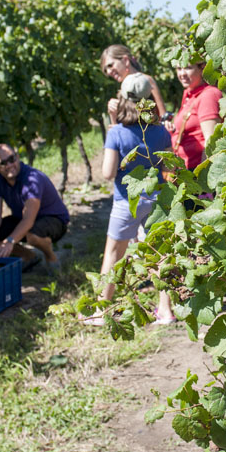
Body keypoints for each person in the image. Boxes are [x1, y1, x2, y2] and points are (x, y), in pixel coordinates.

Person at [85, 72, 174, 325]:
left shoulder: (117, 133)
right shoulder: (160, 133)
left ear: (122, 98)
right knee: (160, 254)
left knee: (113, 254)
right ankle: (165, 311)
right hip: (156, 199)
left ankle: (102, 311)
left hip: (127, 200)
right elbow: (169, 166)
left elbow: (107, 172)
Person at [0, 144, 70, 272]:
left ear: (17, 157)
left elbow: (29, 219)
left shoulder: (31, 179)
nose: (9, 165)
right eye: (3, 163)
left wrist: (10, 241)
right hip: (23, 219)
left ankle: (51, 257)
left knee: (33, 235)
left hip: (53, 220)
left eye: (11, 159)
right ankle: (29, 256)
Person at [165, 62, 223, 171]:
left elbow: (211, 141)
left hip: (195, 169)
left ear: (202, 69)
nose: (182, 73)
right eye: (179, 68)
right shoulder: (190, 94)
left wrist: (202, 176)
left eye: (188, 68)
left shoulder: (208, 96)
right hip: (185, 168)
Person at [101, 44, 167, 124]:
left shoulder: (147, 81)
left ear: (125, 60)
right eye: (105, 70)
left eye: (110, 65)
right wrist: (113, 114)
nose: (109, 72)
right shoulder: (122, 90)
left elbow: (164, 118)